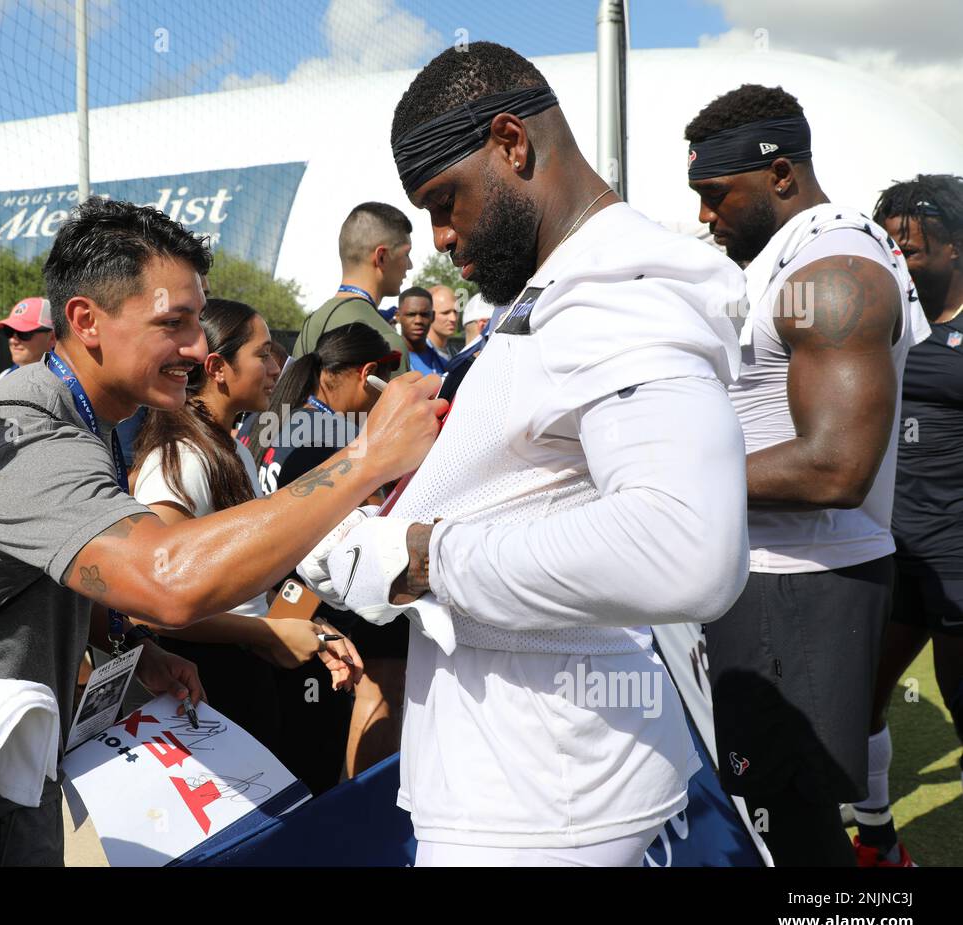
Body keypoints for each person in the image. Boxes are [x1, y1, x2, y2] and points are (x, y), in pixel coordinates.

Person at [0, 198, 442, 866]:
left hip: (12, 788)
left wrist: (131, 650)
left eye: (198, 321)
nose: (197, 348)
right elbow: (168, 580)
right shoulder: (27, 440)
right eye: (173, 323)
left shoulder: (86, 422)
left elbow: (44, 577)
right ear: (87, 320)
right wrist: (365, 459)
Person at [302, 42, 749, 866]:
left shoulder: (618, 290)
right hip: (523, 764)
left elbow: (687, 547)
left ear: (510, 142)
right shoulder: (565, 281)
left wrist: (420, 558)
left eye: (445, 202)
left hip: (545, 792)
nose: (440, 237)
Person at [685, 84, 930, 866]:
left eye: (716, 193)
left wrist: (666, 484)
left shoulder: (835, 268)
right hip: (772, 574)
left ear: (781, 174)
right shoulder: (795, 258)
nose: (704, 215)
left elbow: (835, 466)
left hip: (800, 578)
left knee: (784, 824)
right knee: (778, 818)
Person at [131, 298, 362, 752]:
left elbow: (251, 590)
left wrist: (315, 627)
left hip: (243, 676)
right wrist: (266, 634)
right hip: (207, 684)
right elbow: (147, 605)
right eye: (263, 354)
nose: (277, 368)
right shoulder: (180, 460)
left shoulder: (231, 450)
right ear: (217, 368)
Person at [853, 174, 963, 866]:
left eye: (912, 250)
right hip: (892, 550)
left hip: (957, 558)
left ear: (956, 248)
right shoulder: (884, 320)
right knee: (859, 696)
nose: (899, 262)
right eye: (891, 248)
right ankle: (877, 842)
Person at [251, 323, 406, 788]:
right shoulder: (333, 435)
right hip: (316, 606)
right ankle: (360, 807)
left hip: (285, 599)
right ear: (367, 374)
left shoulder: (282, 420)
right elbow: (363, 520)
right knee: (370, 699)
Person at [292, 201, 413, 371]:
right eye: (406, 254)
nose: (410, 265)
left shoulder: (311, 325)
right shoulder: (386, 342)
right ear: (382, 257)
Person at [0, 296, 56, 385]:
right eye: (9, 331)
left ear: (52, 338)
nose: (13, 341)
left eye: (24, 333)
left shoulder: (70, 383)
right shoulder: (1, 380)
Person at [397, 286, 447, 377]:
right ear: (398, 316)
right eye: (411, 314)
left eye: (424, 315)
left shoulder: (444, 364)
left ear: (433, 316)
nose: (418, 321)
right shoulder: (388, 359)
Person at [427, 284, 461, 360]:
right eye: (445, 313)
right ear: (428, 314)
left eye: (455, 312)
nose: (453, 318)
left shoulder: (456, 355)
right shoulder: (415, 355)